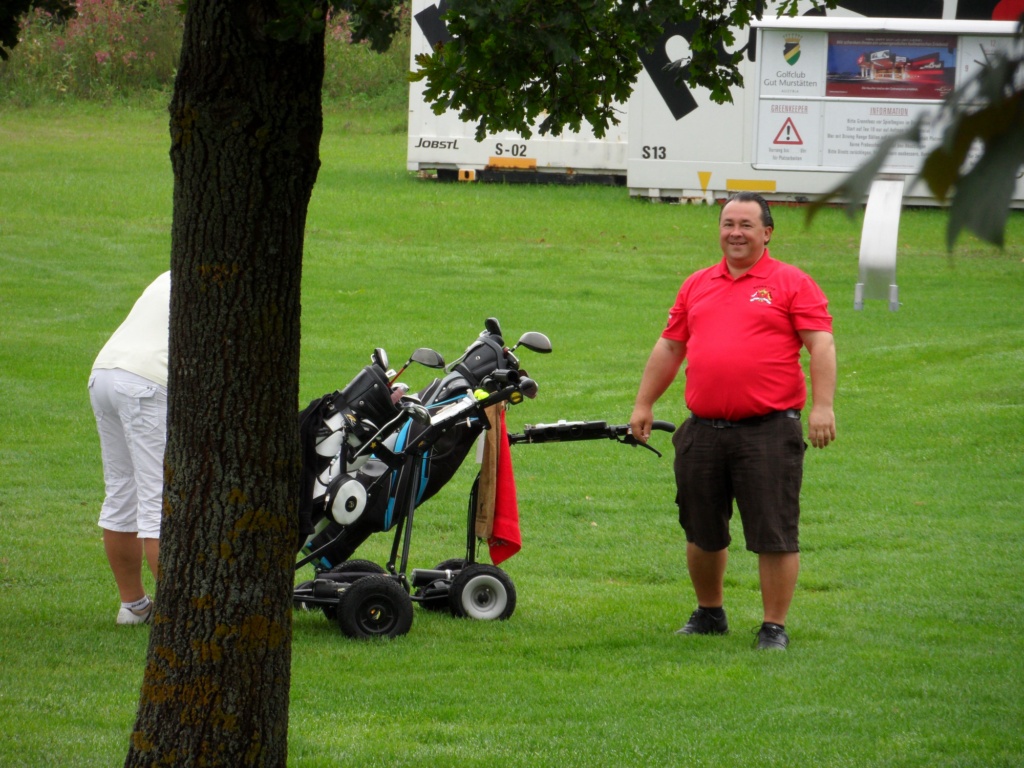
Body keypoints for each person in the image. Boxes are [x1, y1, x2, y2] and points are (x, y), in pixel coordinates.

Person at [629, 192, 836, 651]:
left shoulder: (792, 283)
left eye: (746, 225)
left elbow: (820, 344)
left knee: (774, 532)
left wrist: (823, 407)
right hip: (703, 430)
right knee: (701, 529)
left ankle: (773, 627)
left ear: (767, 232)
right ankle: (710, 614)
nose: (735, 233)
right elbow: (670, 346)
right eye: (728, 224)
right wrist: (644, 403)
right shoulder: (698, 283)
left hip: (768, 430)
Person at [88, 271, 170, 625]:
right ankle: (181, 618)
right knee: (158, 499)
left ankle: (134, 606)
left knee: (122, 491)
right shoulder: (230, 280)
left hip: (105, 373)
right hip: (148, 381)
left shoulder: (172, 272)